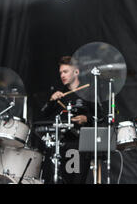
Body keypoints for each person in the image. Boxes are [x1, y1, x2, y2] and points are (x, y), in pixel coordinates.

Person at [39, 56, 96, 184]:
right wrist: (51, 101)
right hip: (59, 145)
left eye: (65, 72)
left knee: (73, 180)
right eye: (60, 72)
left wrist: (86, 118)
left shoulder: (88, 93)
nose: (62, 75)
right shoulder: (60, 94)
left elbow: (100, 116)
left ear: (76, 72)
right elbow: (43, 116)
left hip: (77, 145)